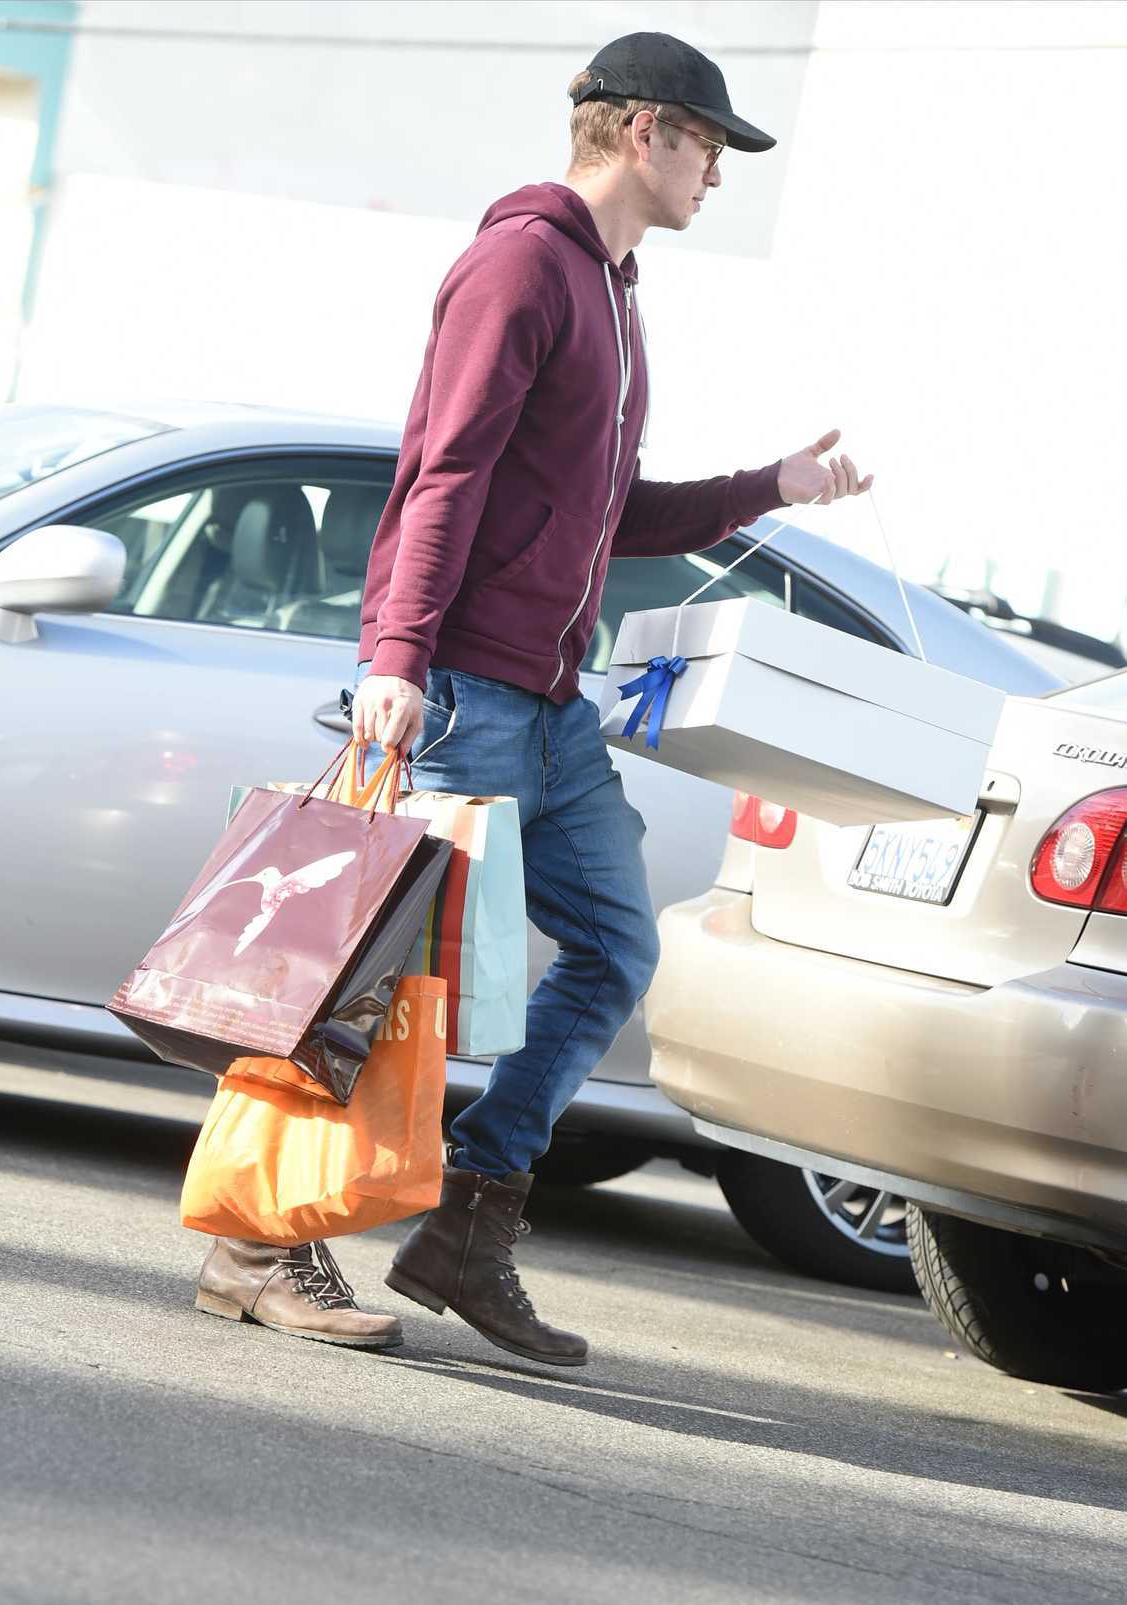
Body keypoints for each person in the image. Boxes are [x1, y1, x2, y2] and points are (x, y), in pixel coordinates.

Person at [195, 30, 873, 1363]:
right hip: (456, 691)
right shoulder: (521, 266)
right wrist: (394, 658)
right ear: (643, 133)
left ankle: (467, 1221)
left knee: (614, 944)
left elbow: (603, 508)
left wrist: (769, 489)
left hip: (549, 707)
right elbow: (442, 472)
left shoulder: (612, 290)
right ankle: (258, 1242)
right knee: (372, 978)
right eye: (707, 147)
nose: (716, 178)